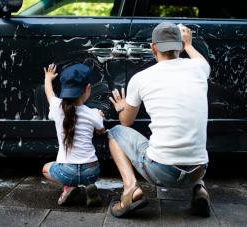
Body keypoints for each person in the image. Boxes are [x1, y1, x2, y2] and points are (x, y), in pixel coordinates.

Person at [108, 22, 211, 217]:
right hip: (199, 169)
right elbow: (202, 62)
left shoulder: (141, 78)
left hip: (161, 171)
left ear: (153, 48)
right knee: (189, 129)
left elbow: (126, 122)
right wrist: (189, 45)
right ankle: (200, 189)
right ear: (180, 46)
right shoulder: (199, 68)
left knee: (114, 133)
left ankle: (131, 190)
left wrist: (121, 107)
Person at [42, 63, 105, 206]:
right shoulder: (93, 113)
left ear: (64, 90)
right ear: (88, 88)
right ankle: (88, 186)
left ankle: (68, 187)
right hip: (92, 172)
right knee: (87, 174)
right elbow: (101, 131)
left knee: (46, 169)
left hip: (66, 172)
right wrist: (99, 117)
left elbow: (49, 93)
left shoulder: (57, 107)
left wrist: (48, 78)